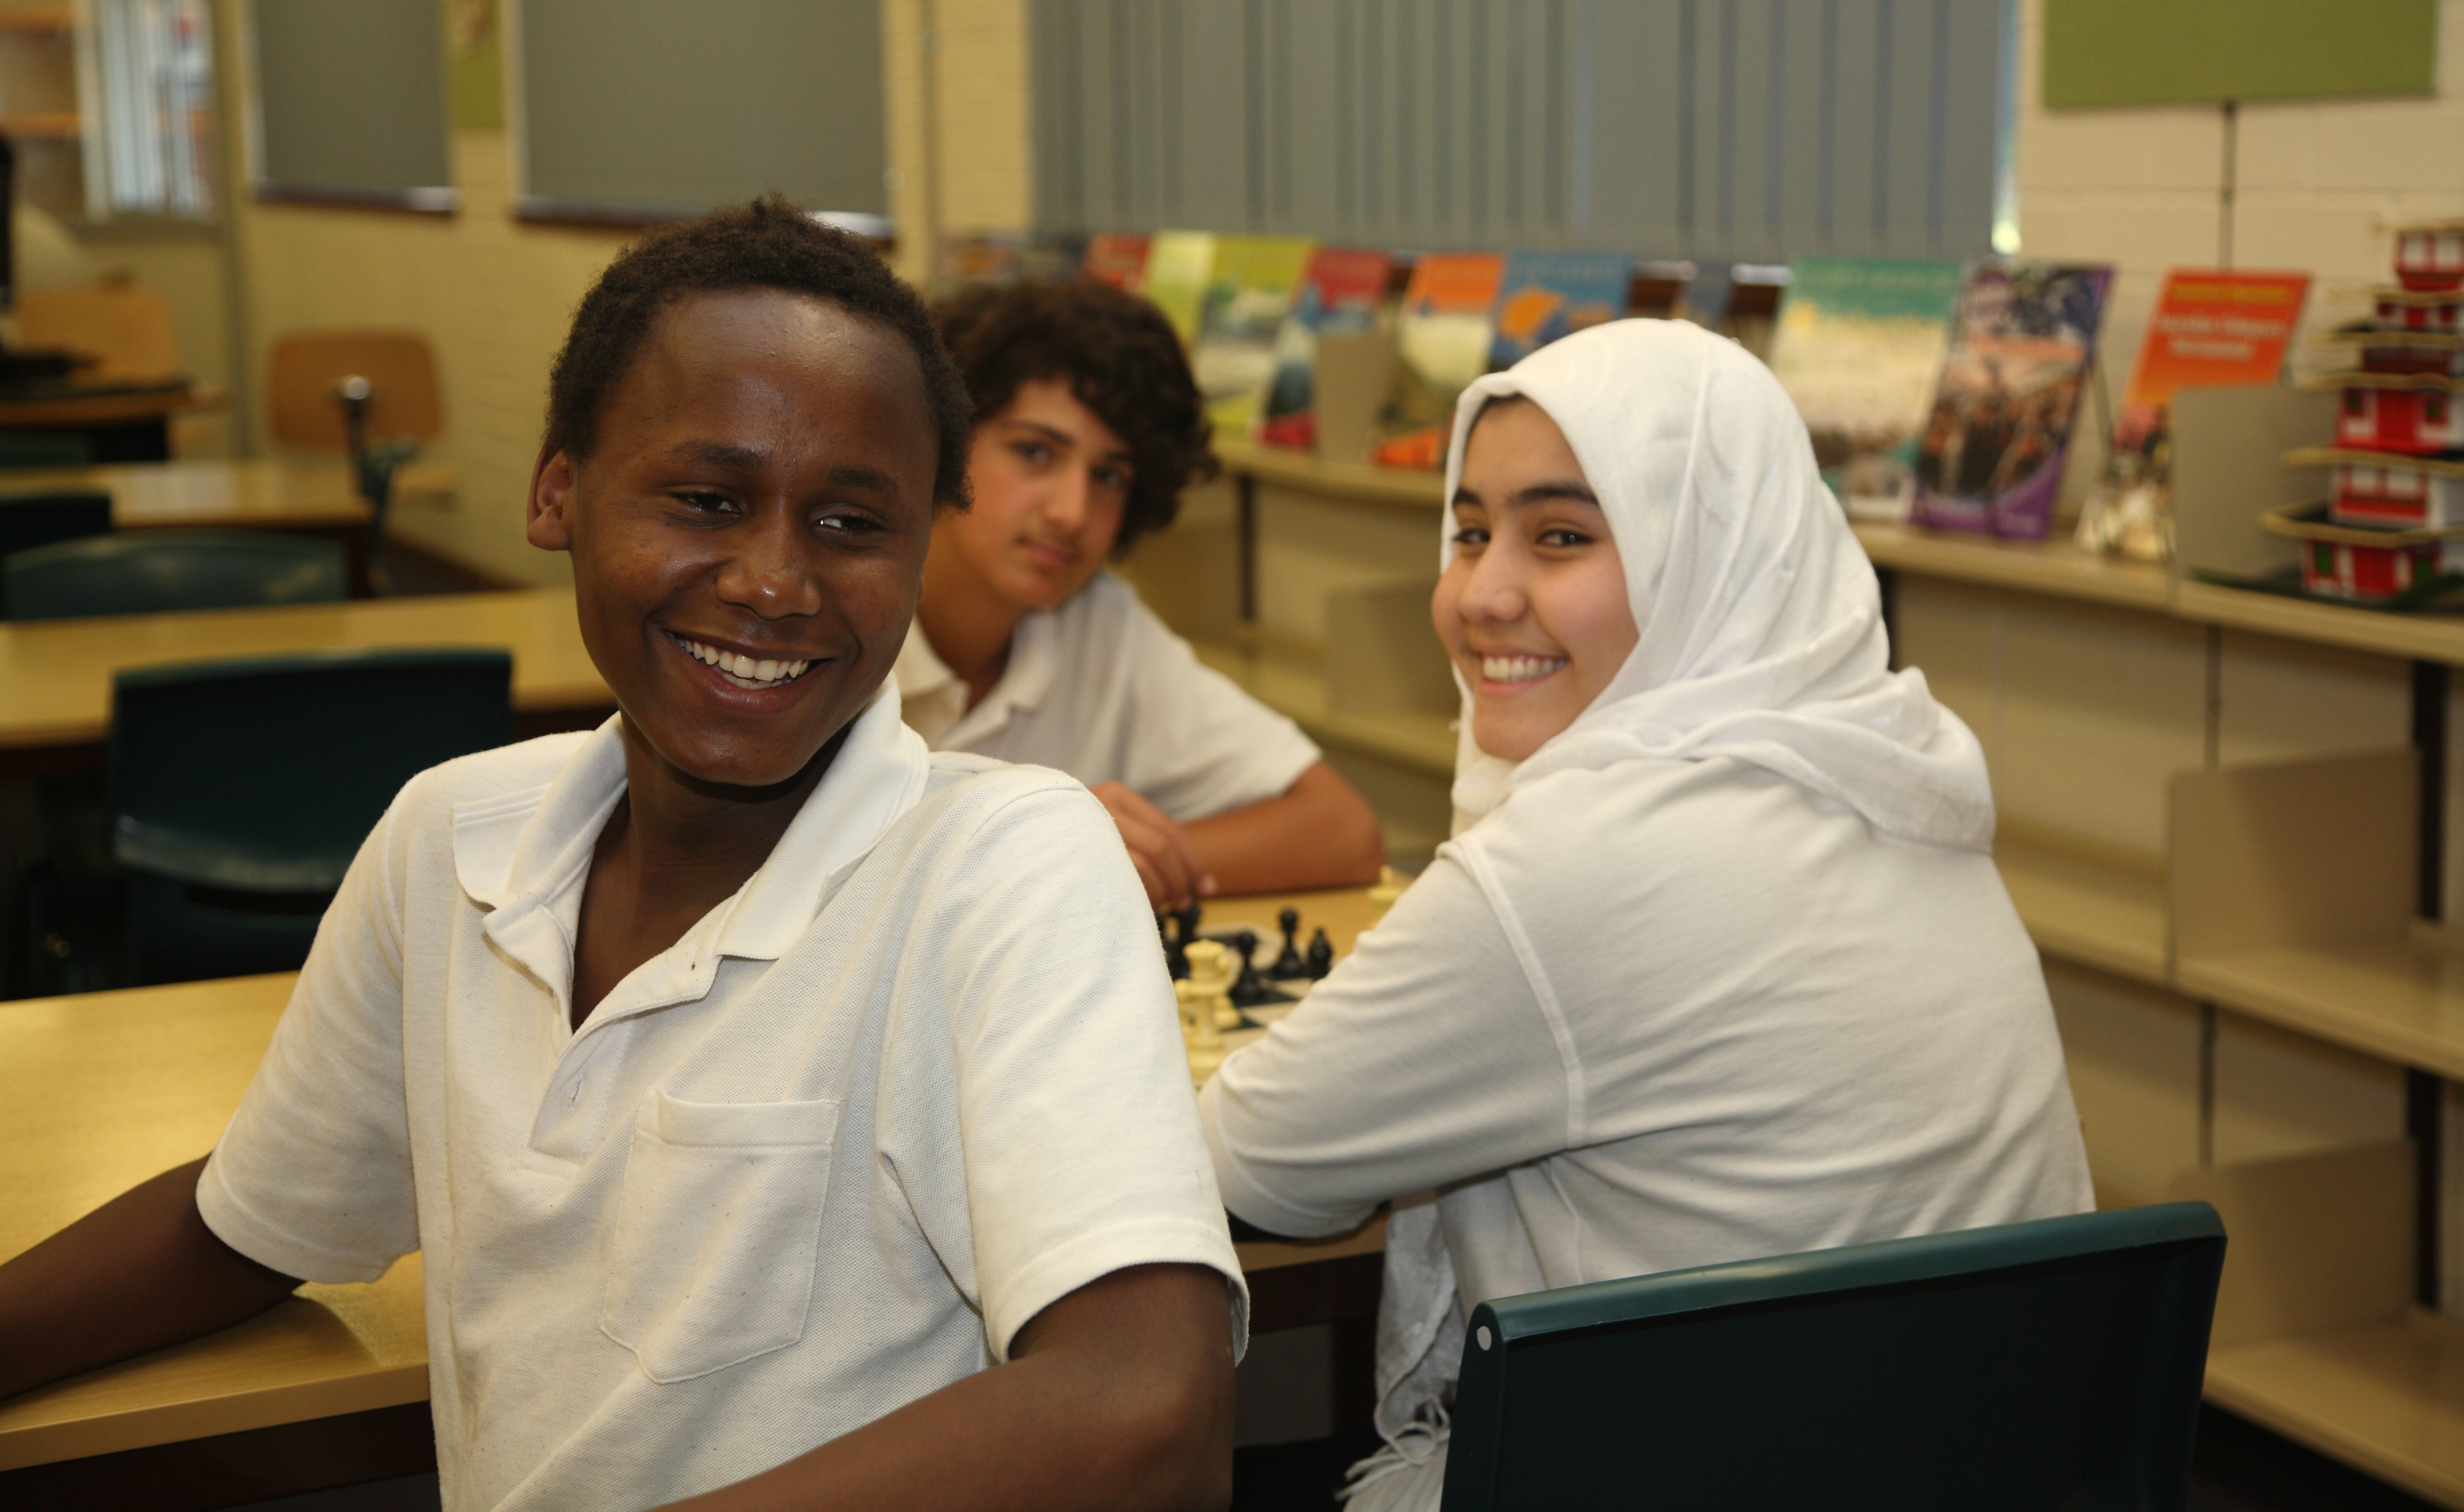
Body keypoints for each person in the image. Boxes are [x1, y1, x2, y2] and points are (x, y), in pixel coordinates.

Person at [0, 201, 1244, 1512]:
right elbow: (248, 1219)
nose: (775, 581)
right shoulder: (451, 841)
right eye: (708, 499)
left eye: (850, 525)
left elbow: (1146, 1411)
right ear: (558, 494)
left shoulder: (1009, 862)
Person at [1196, 319, 2093, 1511]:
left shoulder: (1579, 863)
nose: (1482, 593)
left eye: (1561, 536)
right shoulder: (1890, 774)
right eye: (1468, 532)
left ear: (1710, 552)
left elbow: (1239, 1162)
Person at [907, 279, 1385, 909]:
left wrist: (1091, 853)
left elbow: (1344, 832)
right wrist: (1040, 846)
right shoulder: (826, 618)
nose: (1072, 512)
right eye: (1034, 451)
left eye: (1109, 476)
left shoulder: (1098, 622)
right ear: (942, 438)